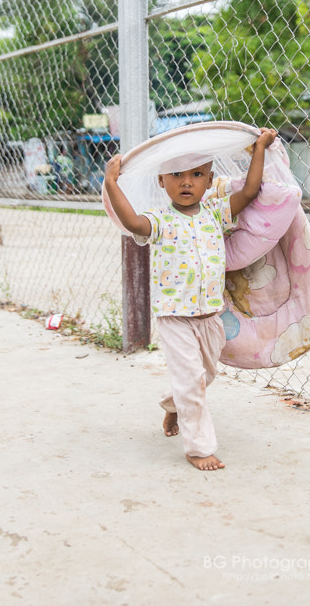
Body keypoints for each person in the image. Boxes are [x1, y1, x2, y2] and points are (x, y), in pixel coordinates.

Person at [104, 128, 278, 471]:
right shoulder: (160, 220)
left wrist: (258, 149)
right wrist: (112, 183)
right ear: (161, 181)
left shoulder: (216, 213)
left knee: (204, 377)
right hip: (175, 318)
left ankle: (174, 406)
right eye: (177, 175)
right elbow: (132, 222)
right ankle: (198, 447)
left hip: (211, 317)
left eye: (197, 174)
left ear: (209, 179)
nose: (187, 182)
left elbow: (251, 191)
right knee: (191, 381)